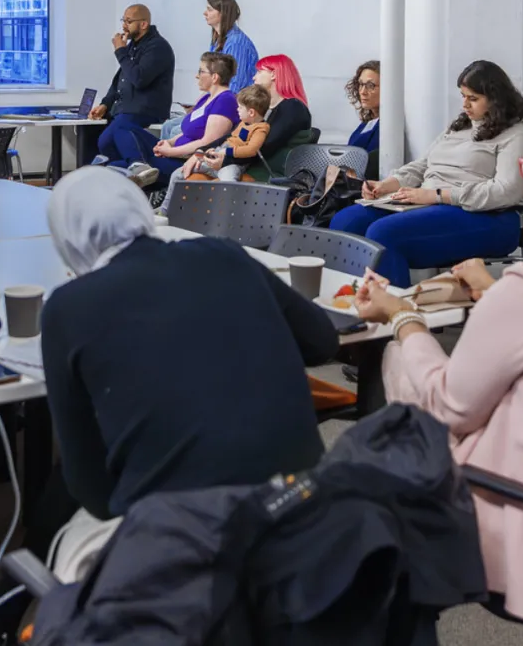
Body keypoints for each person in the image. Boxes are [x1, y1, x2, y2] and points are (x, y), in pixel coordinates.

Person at [42, 167, 339, 521]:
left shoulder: (68, 306)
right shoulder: (224, 254)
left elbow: (88, 482)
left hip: (186, 535)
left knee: (60, 514)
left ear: (66, 240)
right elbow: (322, 341)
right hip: (303, 503)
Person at [353, 184, 523, 623]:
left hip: (510, 513)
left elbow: (448, 407)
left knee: (400, 368)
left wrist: (401, 316)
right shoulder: (518, 296)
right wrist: (493, 292)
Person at [331, 60, 523, 287]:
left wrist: (439, 195)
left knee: (384, 233)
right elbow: (423, 165)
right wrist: (387, 184)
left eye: (473, 98)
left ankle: (396, 314)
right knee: (346, 221)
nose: (465, 105)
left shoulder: (517, 135)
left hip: (489, 217)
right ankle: (352, 306)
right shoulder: (460, 127)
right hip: (431, 204)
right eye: (463, 96)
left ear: (497, 99)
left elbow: (505, 192)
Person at [100, 52, 237, 186]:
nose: (197, 75)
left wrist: (171, 151)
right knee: (121, 126)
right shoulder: (205, 98)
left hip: (185, 160)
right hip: (174, 153)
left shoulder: (225, 101)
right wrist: (169, 142)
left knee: (114, 168)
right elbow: (188, 132)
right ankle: (138, 163)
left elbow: (208, 142)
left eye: (201, 71)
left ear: (215, 77)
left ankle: (139, 167)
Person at [177, 52, 312, 183]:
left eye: (259, 72)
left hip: (264, 173)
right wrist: (202, 150)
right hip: (246, 166)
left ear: (273, 74)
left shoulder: (293, 108)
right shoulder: (268, 108)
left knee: (195, 181)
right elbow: (234, 135)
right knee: (190, 178)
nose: (254, 77)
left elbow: (262, 147)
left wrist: (223, 158)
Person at [88, 4, 175, 165]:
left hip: (145, 110)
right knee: (96, 138)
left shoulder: (157, 47)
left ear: (143, 24)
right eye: (123, 20)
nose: (124, 26)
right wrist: (105, 104)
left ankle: (138, 169)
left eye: (128, 21)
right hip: (125, 110)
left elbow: (139, 79)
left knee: (106, 141)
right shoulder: (133, 46)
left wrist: (120, 51)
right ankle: (123, 172)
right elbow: (121, 79)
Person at [198, 84, 271, 182]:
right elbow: (230, 138)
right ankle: (169, 197)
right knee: (181, 172)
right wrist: (211, 150)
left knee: (229, 181)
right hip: (219, 153)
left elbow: (251, 150)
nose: (237, 110)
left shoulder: (261, 128)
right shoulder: (243, 122)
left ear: (251, 113)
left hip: (233, 164)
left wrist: (226, 152)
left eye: (240, 107)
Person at [204, 0, 258, 94]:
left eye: (210, 10)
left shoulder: (236, 43)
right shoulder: (217, 41)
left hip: (236, 104)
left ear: (223, 13)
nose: (205, 13)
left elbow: (234, 84)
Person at [346, 59, 381, 154]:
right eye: (361, 84)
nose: (362, 92)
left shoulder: (386, 127)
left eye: (370, 85)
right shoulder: (367, 124)